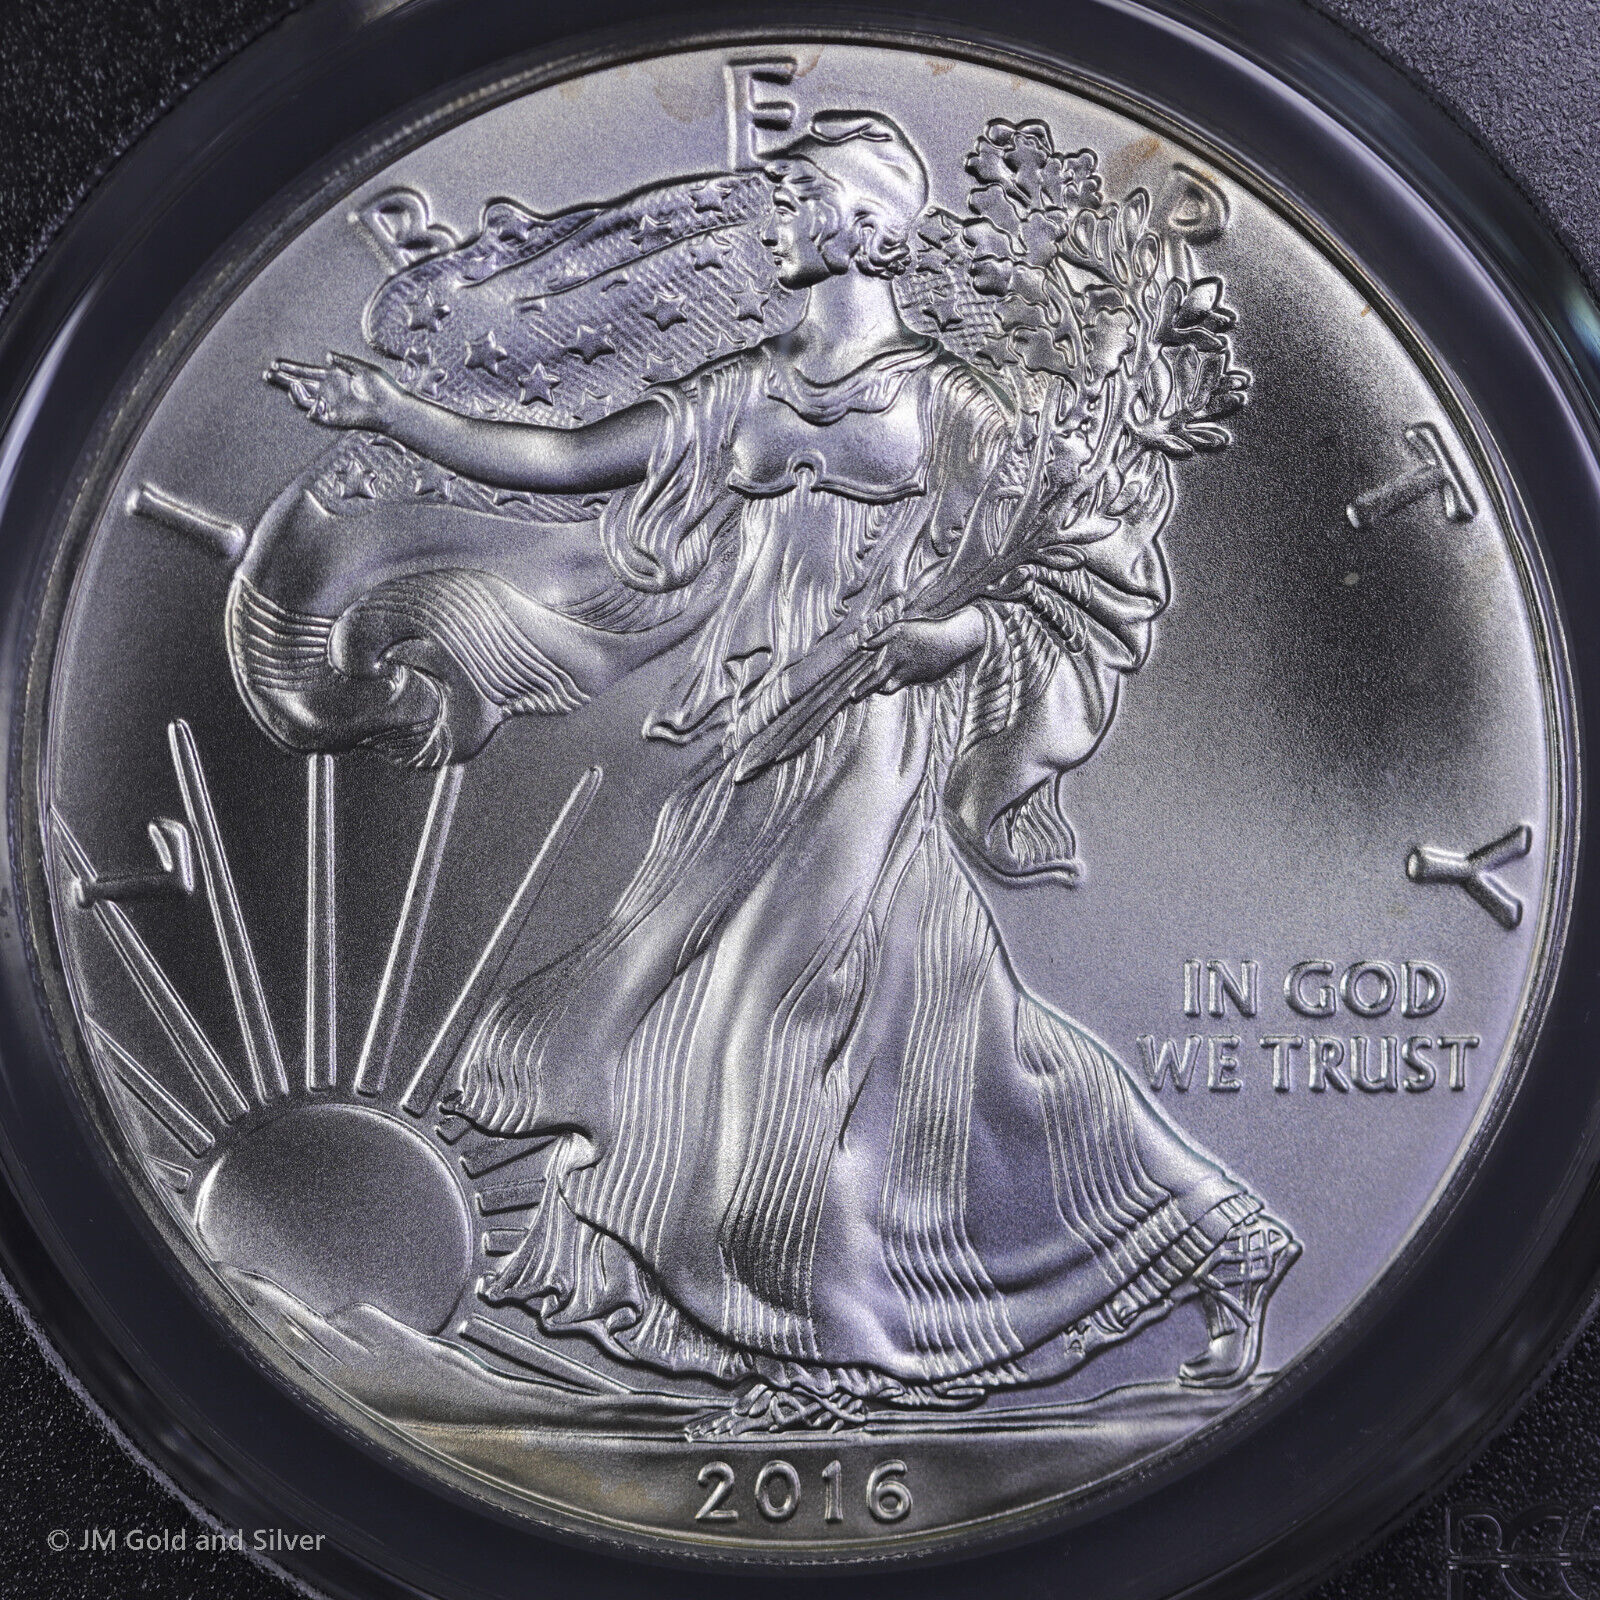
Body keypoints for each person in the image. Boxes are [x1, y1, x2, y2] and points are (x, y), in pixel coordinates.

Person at [267, 110, 1297, 1433]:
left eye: (801, 200)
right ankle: (1214, 1237)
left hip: (871, 733)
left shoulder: (952, 405)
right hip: (749, 735)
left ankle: (822, 1360)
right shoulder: (745, 389)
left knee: (771, 1020)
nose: (778, 221)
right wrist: (394, 412)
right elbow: (571, 461)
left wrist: (947, 636)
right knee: (930, 1038)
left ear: (867, 230)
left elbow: (1076, 572)